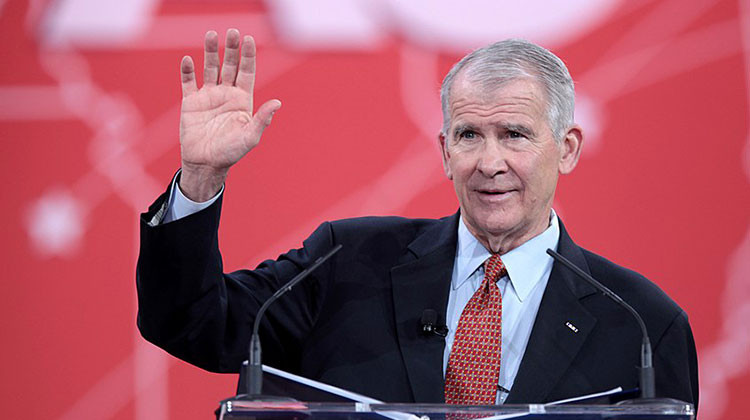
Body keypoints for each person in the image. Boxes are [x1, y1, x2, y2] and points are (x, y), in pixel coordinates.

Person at [136, 29, 699, 407]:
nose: (489, 162)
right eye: (469, 135)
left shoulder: (644, 327)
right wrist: (201, 178)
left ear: (568, 149)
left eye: (516, 136)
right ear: (444, 150)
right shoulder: (343, 264)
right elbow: (189, 323)